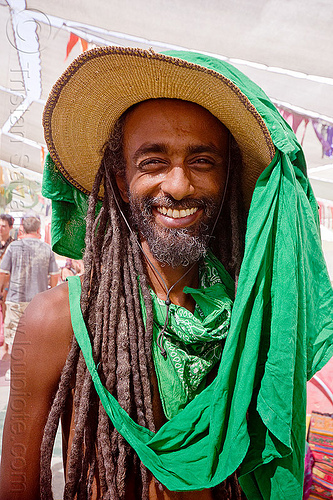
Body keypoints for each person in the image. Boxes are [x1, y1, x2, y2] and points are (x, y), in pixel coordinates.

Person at [0, 47, 332, 500]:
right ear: (120, 179)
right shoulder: (55, 322)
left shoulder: (252, 324)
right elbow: (15, 485)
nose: (177, 186)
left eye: (202, 162)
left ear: (227, 175)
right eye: (152, 162)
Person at [0, 214, 59, 361]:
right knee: (37, 336)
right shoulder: (46, 248)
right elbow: (54, 275)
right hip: (38, 302)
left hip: (15, 301)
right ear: (38, 229)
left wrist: (1, 291)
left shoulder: (13, 247)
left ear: (22, 229)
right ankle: (34, 369)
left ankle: (17, 368)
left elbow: (3, 272)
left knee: (15, 337)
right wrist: (50, 293)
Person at [0, 214, 14, 356]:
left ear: (10, 227)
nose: (0, 228)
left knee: (6, 317)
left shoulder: (13, 245)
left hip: (7, 288)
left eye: (4, 226)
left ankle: (5, 346)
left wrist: (5, 289)